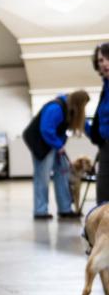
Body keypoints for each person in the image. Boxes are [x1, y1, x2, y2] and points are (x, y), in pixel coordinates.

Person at [23, 90, 88, 219]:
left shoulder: (70, 109)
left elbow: (84, 125)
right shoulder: (56, 107)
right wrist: (58, 145)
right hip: (40, 142)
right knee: (42, 177)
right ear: (77, 103)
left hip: (53, 142)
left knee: (63, 173)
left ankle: (65, 209)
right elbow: (46, 129)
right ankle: (40, 211)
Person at [88, 43, 109, 203]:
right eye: (101, 60)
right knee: (103, 196)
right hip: (105, 146)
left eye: (107, 58)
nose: (104, 63)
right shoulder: (105, 87)